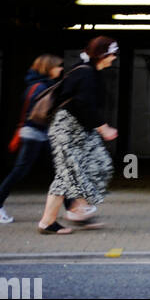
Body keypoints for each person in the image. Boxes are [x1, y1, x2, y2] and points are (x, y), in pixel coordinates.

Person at [37, 37, 118, 235]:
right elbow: (83, 104)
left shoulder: (92, 72)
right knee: (67, 175)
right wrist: (103, 127)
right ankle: (48, 222)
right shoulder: (86, 74)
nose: (114, 58)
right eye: (112, 54)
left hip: (82, 130)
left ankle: (78, 210)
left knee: (99, 165)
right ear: (101, 55)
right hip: (66, 129)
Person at [0, 54, 63, 224]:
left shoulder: (37, 85)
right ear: (48, 68)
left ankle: (74, 208)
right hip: (35, 133)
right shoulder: (40, 87)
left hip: (38, 133)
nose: (60, 69)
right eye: (57, 66)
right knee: (20, 171)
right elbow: (38, 114)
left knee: (60, 170)